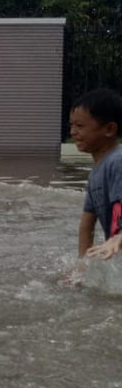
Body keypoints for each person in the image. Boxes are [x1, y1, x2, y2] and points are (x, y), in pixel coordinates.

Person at [71, 88, 122, 260]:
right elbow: (87, 223)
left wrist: (118, 237)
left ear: (109, 129)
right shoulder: (95, 173)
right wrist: (82, 264)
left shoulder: (118, 161)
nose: (72, 132)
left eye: (79, 126)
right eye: (71, 125)